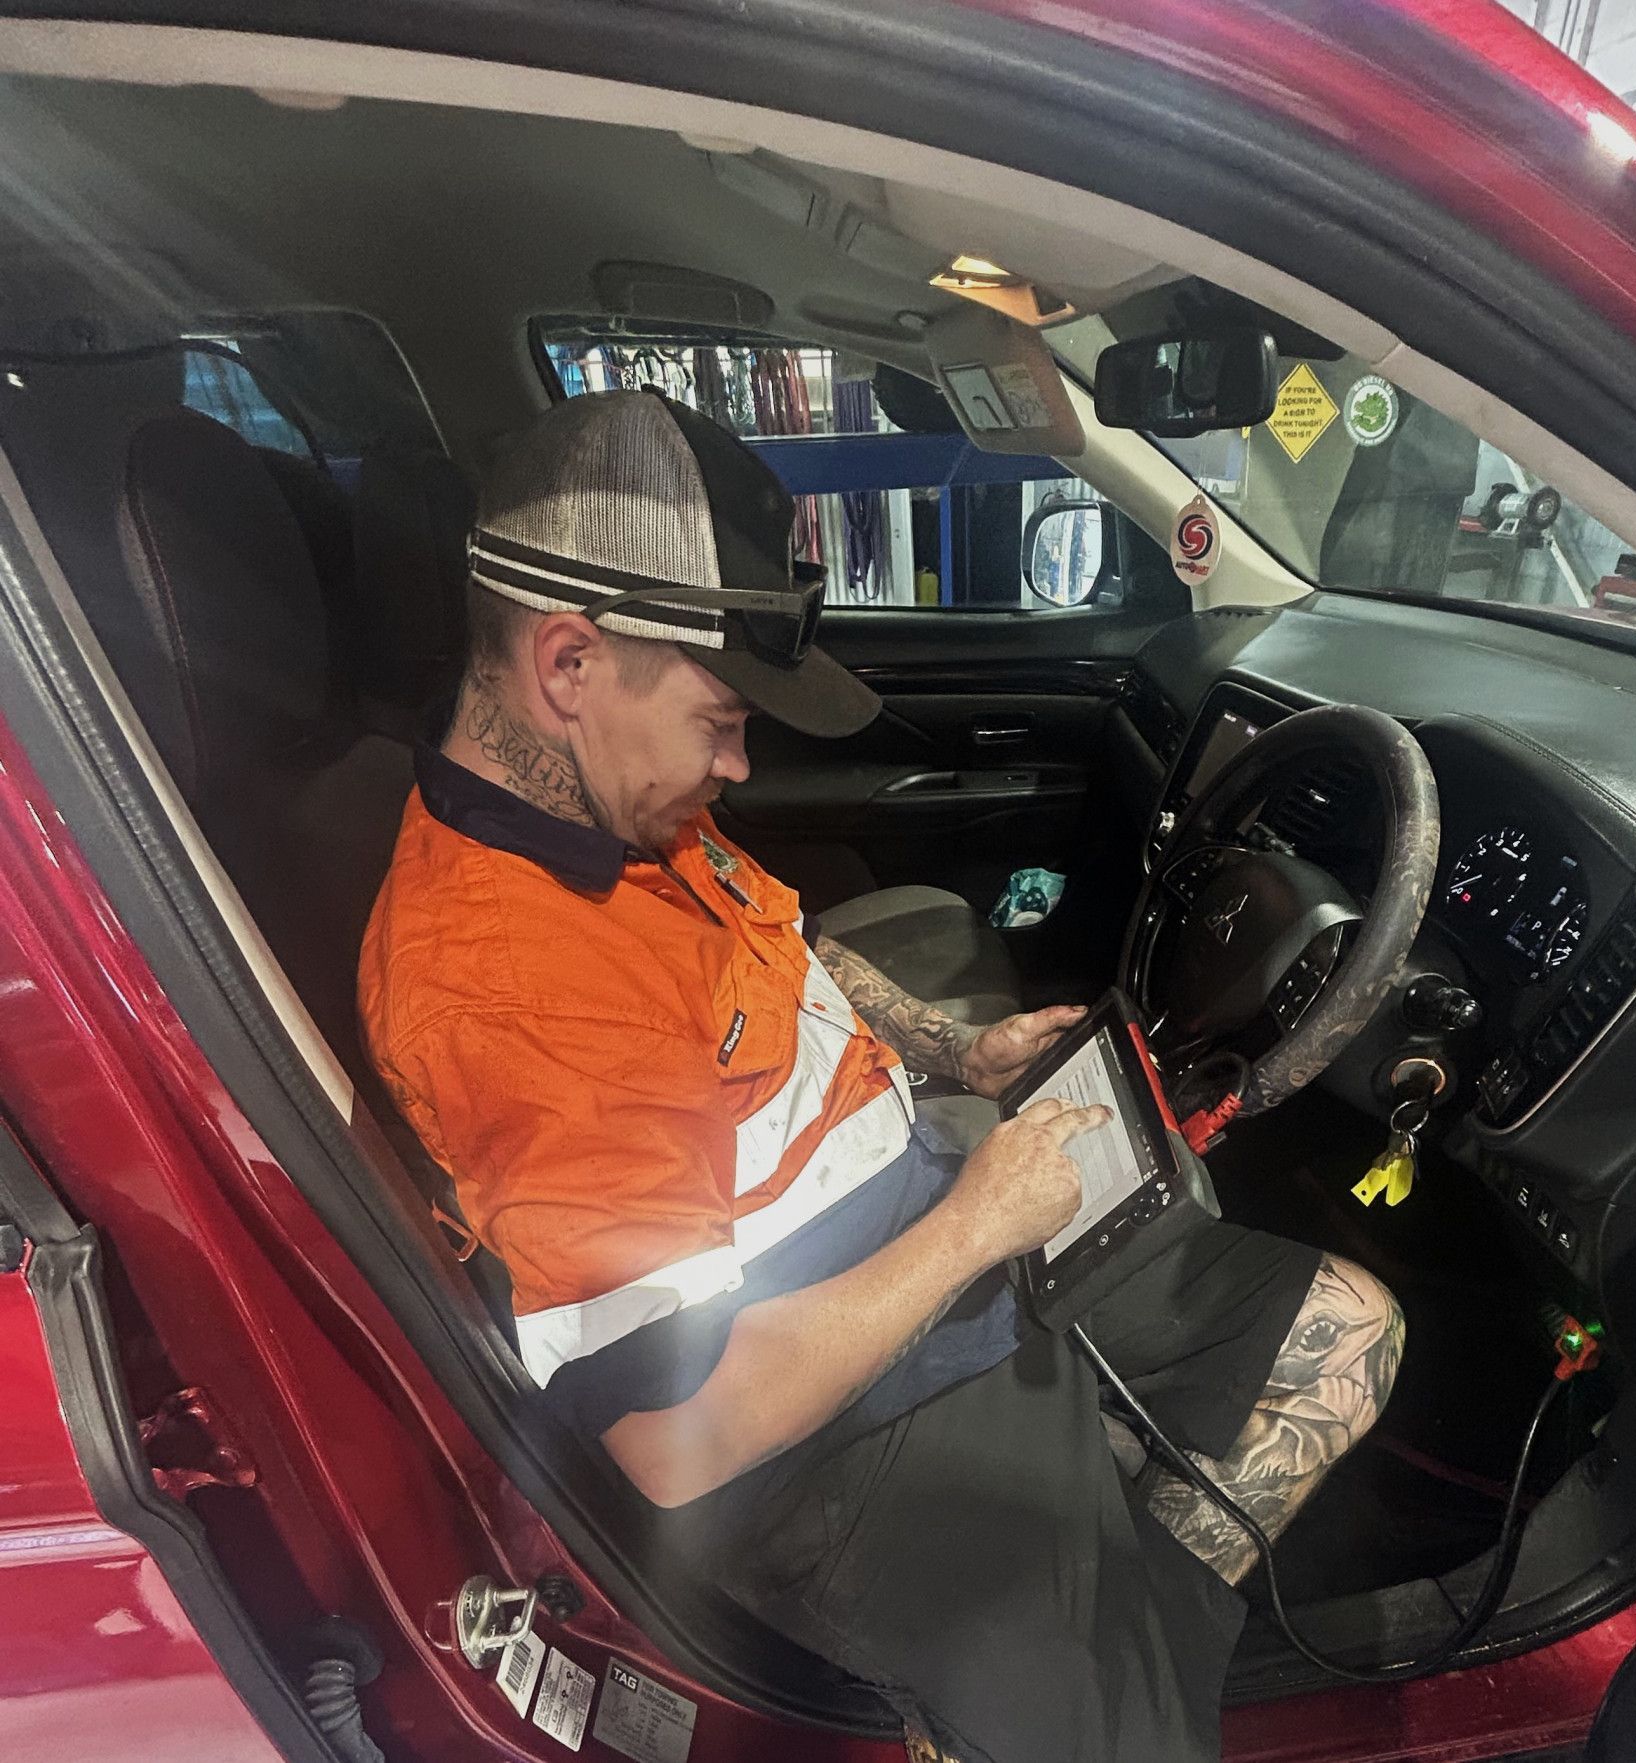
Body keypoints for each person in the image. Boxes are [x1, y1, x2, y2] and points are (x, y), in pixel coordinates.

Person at [359, 388, 1403, 1763]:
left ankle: (1097, 1616)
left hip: (925, 1204)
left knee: (1348, 1328)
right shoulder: (504, 982)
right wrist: (978, 1223)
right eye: (723, 717)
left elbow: (783, 960)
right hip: (828, 1434)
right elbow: (671, 1439)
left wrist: (954, 1048)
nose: (738, 762)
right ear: (566, 665)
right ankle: (1051, 1683)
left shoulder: (603, 796)